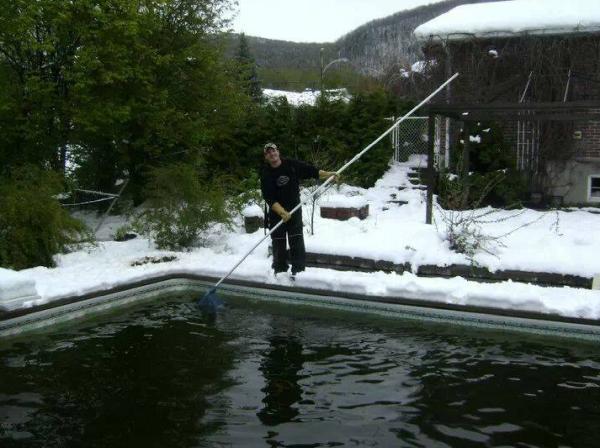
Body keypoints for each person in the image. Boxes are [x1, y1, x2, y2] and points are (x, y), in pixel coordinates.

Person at [260, 142, 337, 278]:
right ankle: (280, 271)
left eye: (274, 151)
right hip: (277, 213)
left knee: (296, 240)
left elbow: (310, 170)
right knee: (278, 242)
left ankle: (299, 271)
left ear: (278, 152)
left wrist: (328, 174)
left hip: (294, 209)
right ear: (266, 157)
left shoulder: (290, 164)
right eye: (268, 152)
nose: (272, 154)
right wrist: (281, 211)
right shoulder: (266, 173)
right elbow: (268, 196)